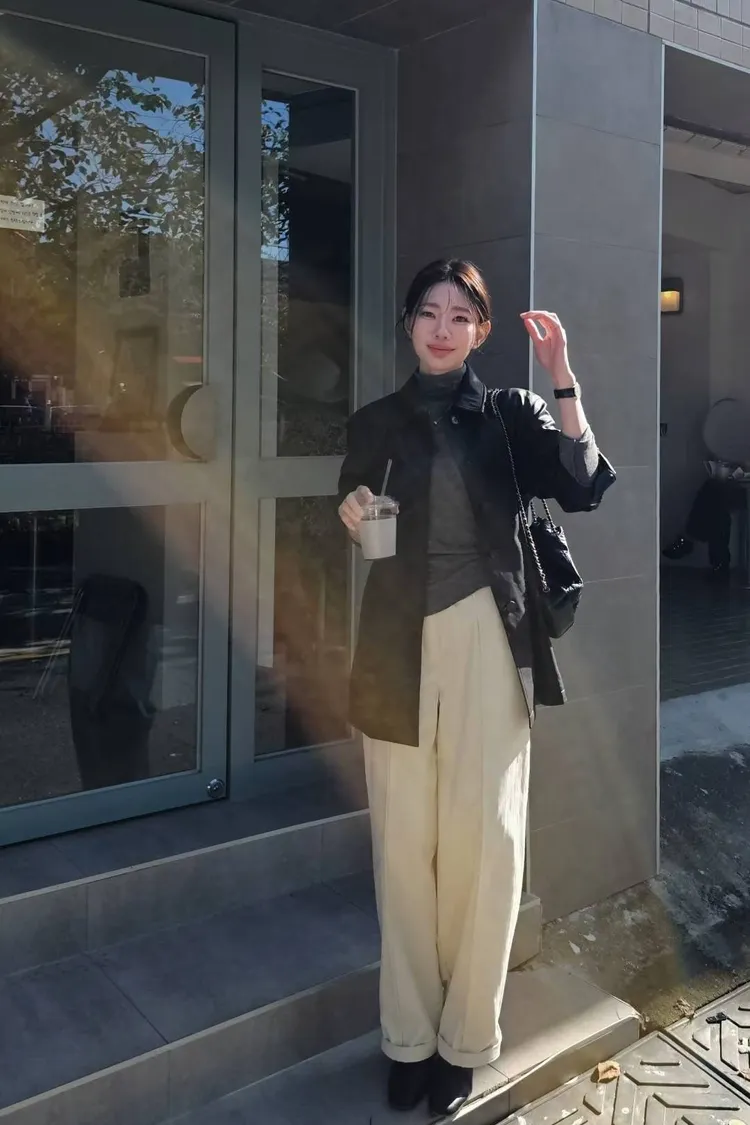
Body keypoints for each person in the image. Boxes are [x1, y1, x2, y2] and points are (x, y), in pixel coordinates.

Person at [337, 259, 615, 1117]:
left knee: (487, 846)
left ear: (482, 330)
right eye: (429, 311)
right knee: (403, 851)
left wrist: (563, 376)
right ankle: (409, 1039)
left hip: (491, 641)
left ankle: (464, 1041)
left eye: (461, 314)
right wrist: (349, 513)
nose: (443, 327)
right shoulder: (375, 420)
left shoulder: (510, 415)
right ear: (408, 323)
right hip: (396, 646)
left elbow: (582, 481)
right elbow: (348, 505)